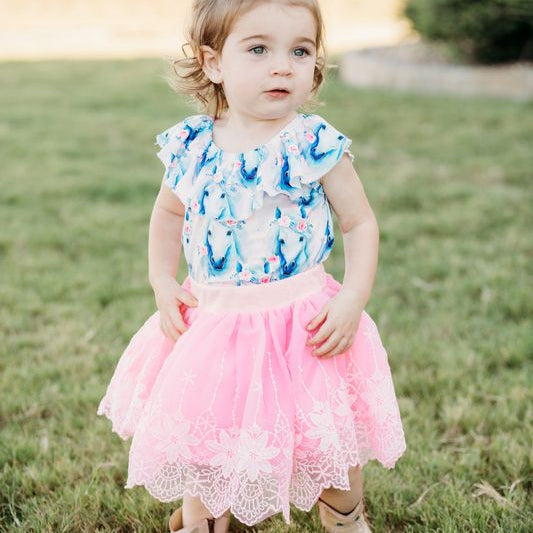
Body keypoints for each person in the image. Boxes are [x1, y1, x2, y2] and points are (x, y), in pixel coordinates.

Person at [96, 1, 406, 532]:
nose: (283, 66)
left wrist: (352, 298)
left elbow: (359, 223)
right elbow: (168, 214)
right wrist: (161, 279)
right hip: (214, 323)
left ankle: (344, 516)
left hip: (302, 324)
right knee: (207, 439)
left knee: (325, 442)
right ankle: (204, 520)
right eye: (259, 49)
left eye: (300, 51)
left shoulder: (313, 143)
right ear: (214, 63)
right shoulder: (192, 145)